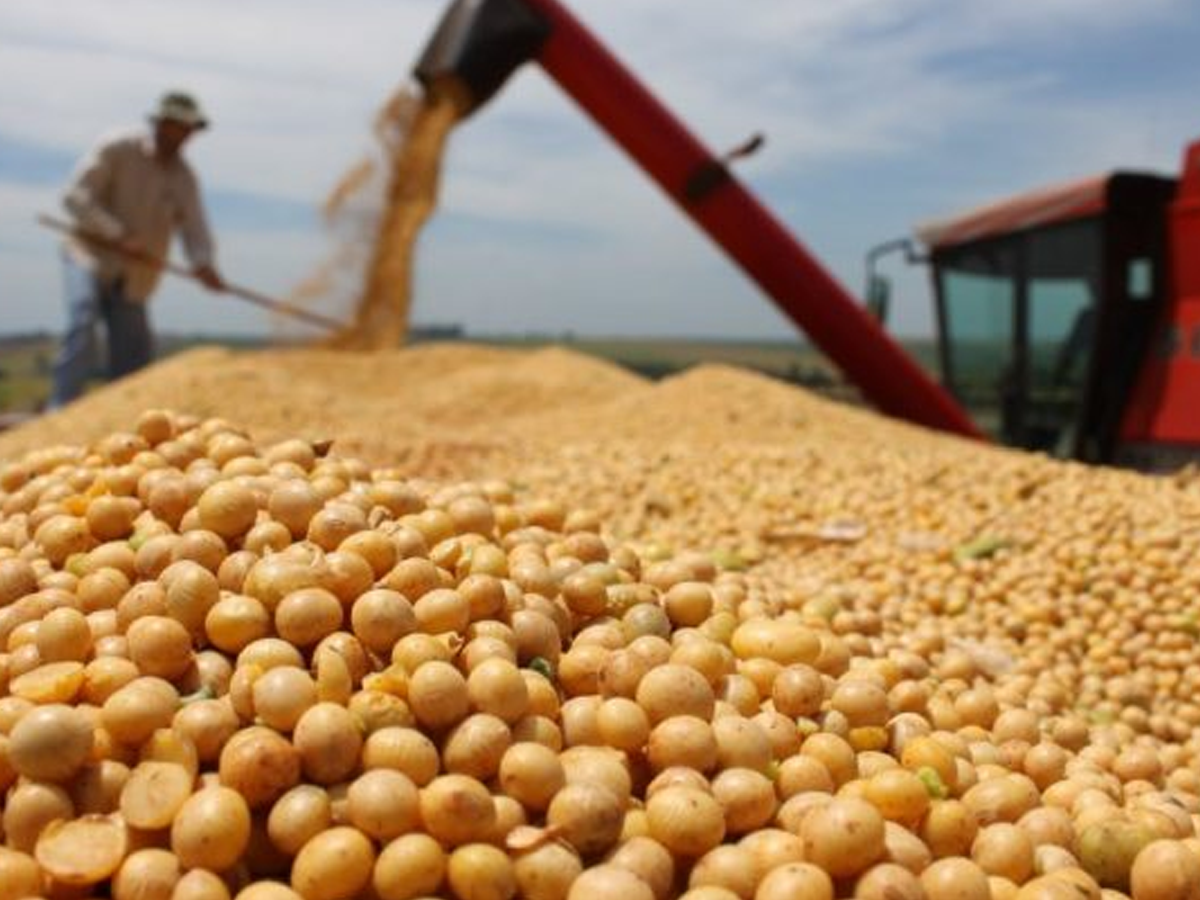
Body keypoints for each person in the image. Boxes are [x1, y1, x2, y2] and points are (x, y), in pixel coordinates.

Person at [48, 90, 225, 408]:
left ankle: (124, 419)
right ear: (161, 123)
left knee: (133, 354)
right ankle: (60, 409)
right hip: (89, 253)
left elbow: (195, 229)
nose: (182, 135)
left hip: (136, 273)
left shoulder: (184, 179)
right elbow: (75, 197)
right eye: (176, 126)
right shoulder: (118, 148)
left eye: (187, 129)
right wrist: (118, 234)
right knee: (83, 320)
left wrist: (204, 264)